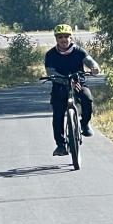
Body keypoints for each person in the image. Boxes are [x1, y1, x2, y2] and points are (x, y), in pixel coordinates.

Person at [44, 24, 101, 156]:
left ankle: (85, 124)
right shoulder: (50, 55)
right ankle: (60, 145)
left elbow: (90, 61)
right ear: (56, 39)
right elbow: (50, 71)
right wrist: (65, 80)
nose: (63, 40)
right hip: (60, 85)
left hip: (79, 83)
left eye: (66, 37)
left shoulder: (79, 51)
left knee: (87, 99)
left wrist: (95, 68)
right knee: (58, 115)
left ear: (71, 37)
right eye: (60, 37)